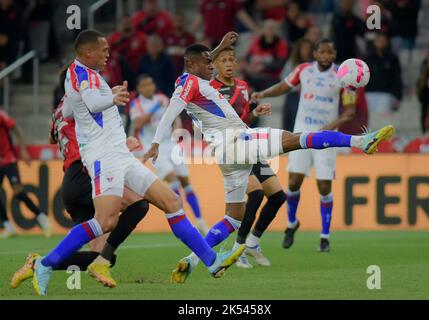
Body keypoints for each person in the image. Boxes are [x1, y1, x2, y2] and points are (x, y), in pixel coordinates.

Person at [143, 32, 395, 283]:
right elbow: (172, 108)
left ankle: (192, 260)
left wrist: (220, 46)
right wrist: (155, 142)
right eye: (207, 64)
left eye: (213, 62)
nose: (212, 66)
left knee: (233, 216)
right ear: (191, 64)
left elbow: (204, 59)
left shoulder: (202, 82)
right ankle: (361, 141)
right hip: (237, 143)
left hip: (227, 156)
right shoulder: (189, 81)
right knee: (297, 139)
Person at [27, 29, 245, 296]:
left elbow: (73, 109)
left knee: (172, 202)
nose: (108, 54)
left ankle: (211, 262)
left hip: (119, 153)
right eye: (103, 50)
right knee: (105, 222)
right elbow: (94, 104)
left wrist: (89, 107)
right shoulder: (80, 73)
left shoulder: (88, 75)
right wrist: (112, 98)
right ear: (87, 52)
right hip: (103, 157)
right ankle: (45, 264)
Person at [11, 88, 150, 289]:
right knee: (139, 205)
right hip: (86, 173)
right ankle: (41, 263)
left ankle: (36, 263)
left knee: (101, 258)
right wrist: (122, 145)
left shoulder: (59, 111)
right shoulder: (82, 102)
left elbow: (52, 138)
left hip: (72, 181)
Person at [252, 39, 356, 252]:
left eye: (330, 52)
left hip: (327, 136)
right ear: (315, 53)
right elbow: (284, 86)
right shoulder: (303, 70)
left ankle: (325, 236)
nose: (326, 56)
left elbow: (350, 111)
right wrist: (262, 94)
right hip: (302, 133)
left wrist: (331, 125)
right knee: (293, 182)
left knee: (324, 185)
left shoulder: (343, 76)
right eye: (322, 52)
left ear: (334, 54)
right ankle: (291, 224)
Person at [210, 46, 286, 268]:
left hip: (248, 144)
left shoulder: (242, 87)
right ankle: (238, 248)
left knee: (278, 196)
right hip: (230, 151)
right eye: (223, 60)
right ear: (214, 64)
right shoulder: (209, 89)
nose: (229, 63)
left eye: (232, 59)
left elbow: (242, 121)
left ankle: (252, 243)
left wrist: (255, 113)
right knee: (256, 194)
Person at [130, 74, 208, 234]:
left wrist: (177, 127)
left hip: (170, 144)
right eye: (143, 85)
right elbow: (138, 123)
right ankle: (185, 223)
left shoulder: (162, 98)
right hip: (152, 148)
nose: (148, 87)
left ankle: (200, 221)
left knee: (185, 181)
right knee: (172, 179)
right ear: (138, 89)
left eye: (149, 83)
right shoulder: (136, 104)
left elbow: (175, 116)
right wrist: (154, 108)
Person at [0, 109, 51, 238]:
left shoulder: (1, 114)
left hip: (8, 159)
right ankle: (8, 225)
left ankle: (42, 217)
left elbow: (16, 129)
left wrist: (23, 150)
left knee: (18, 192)